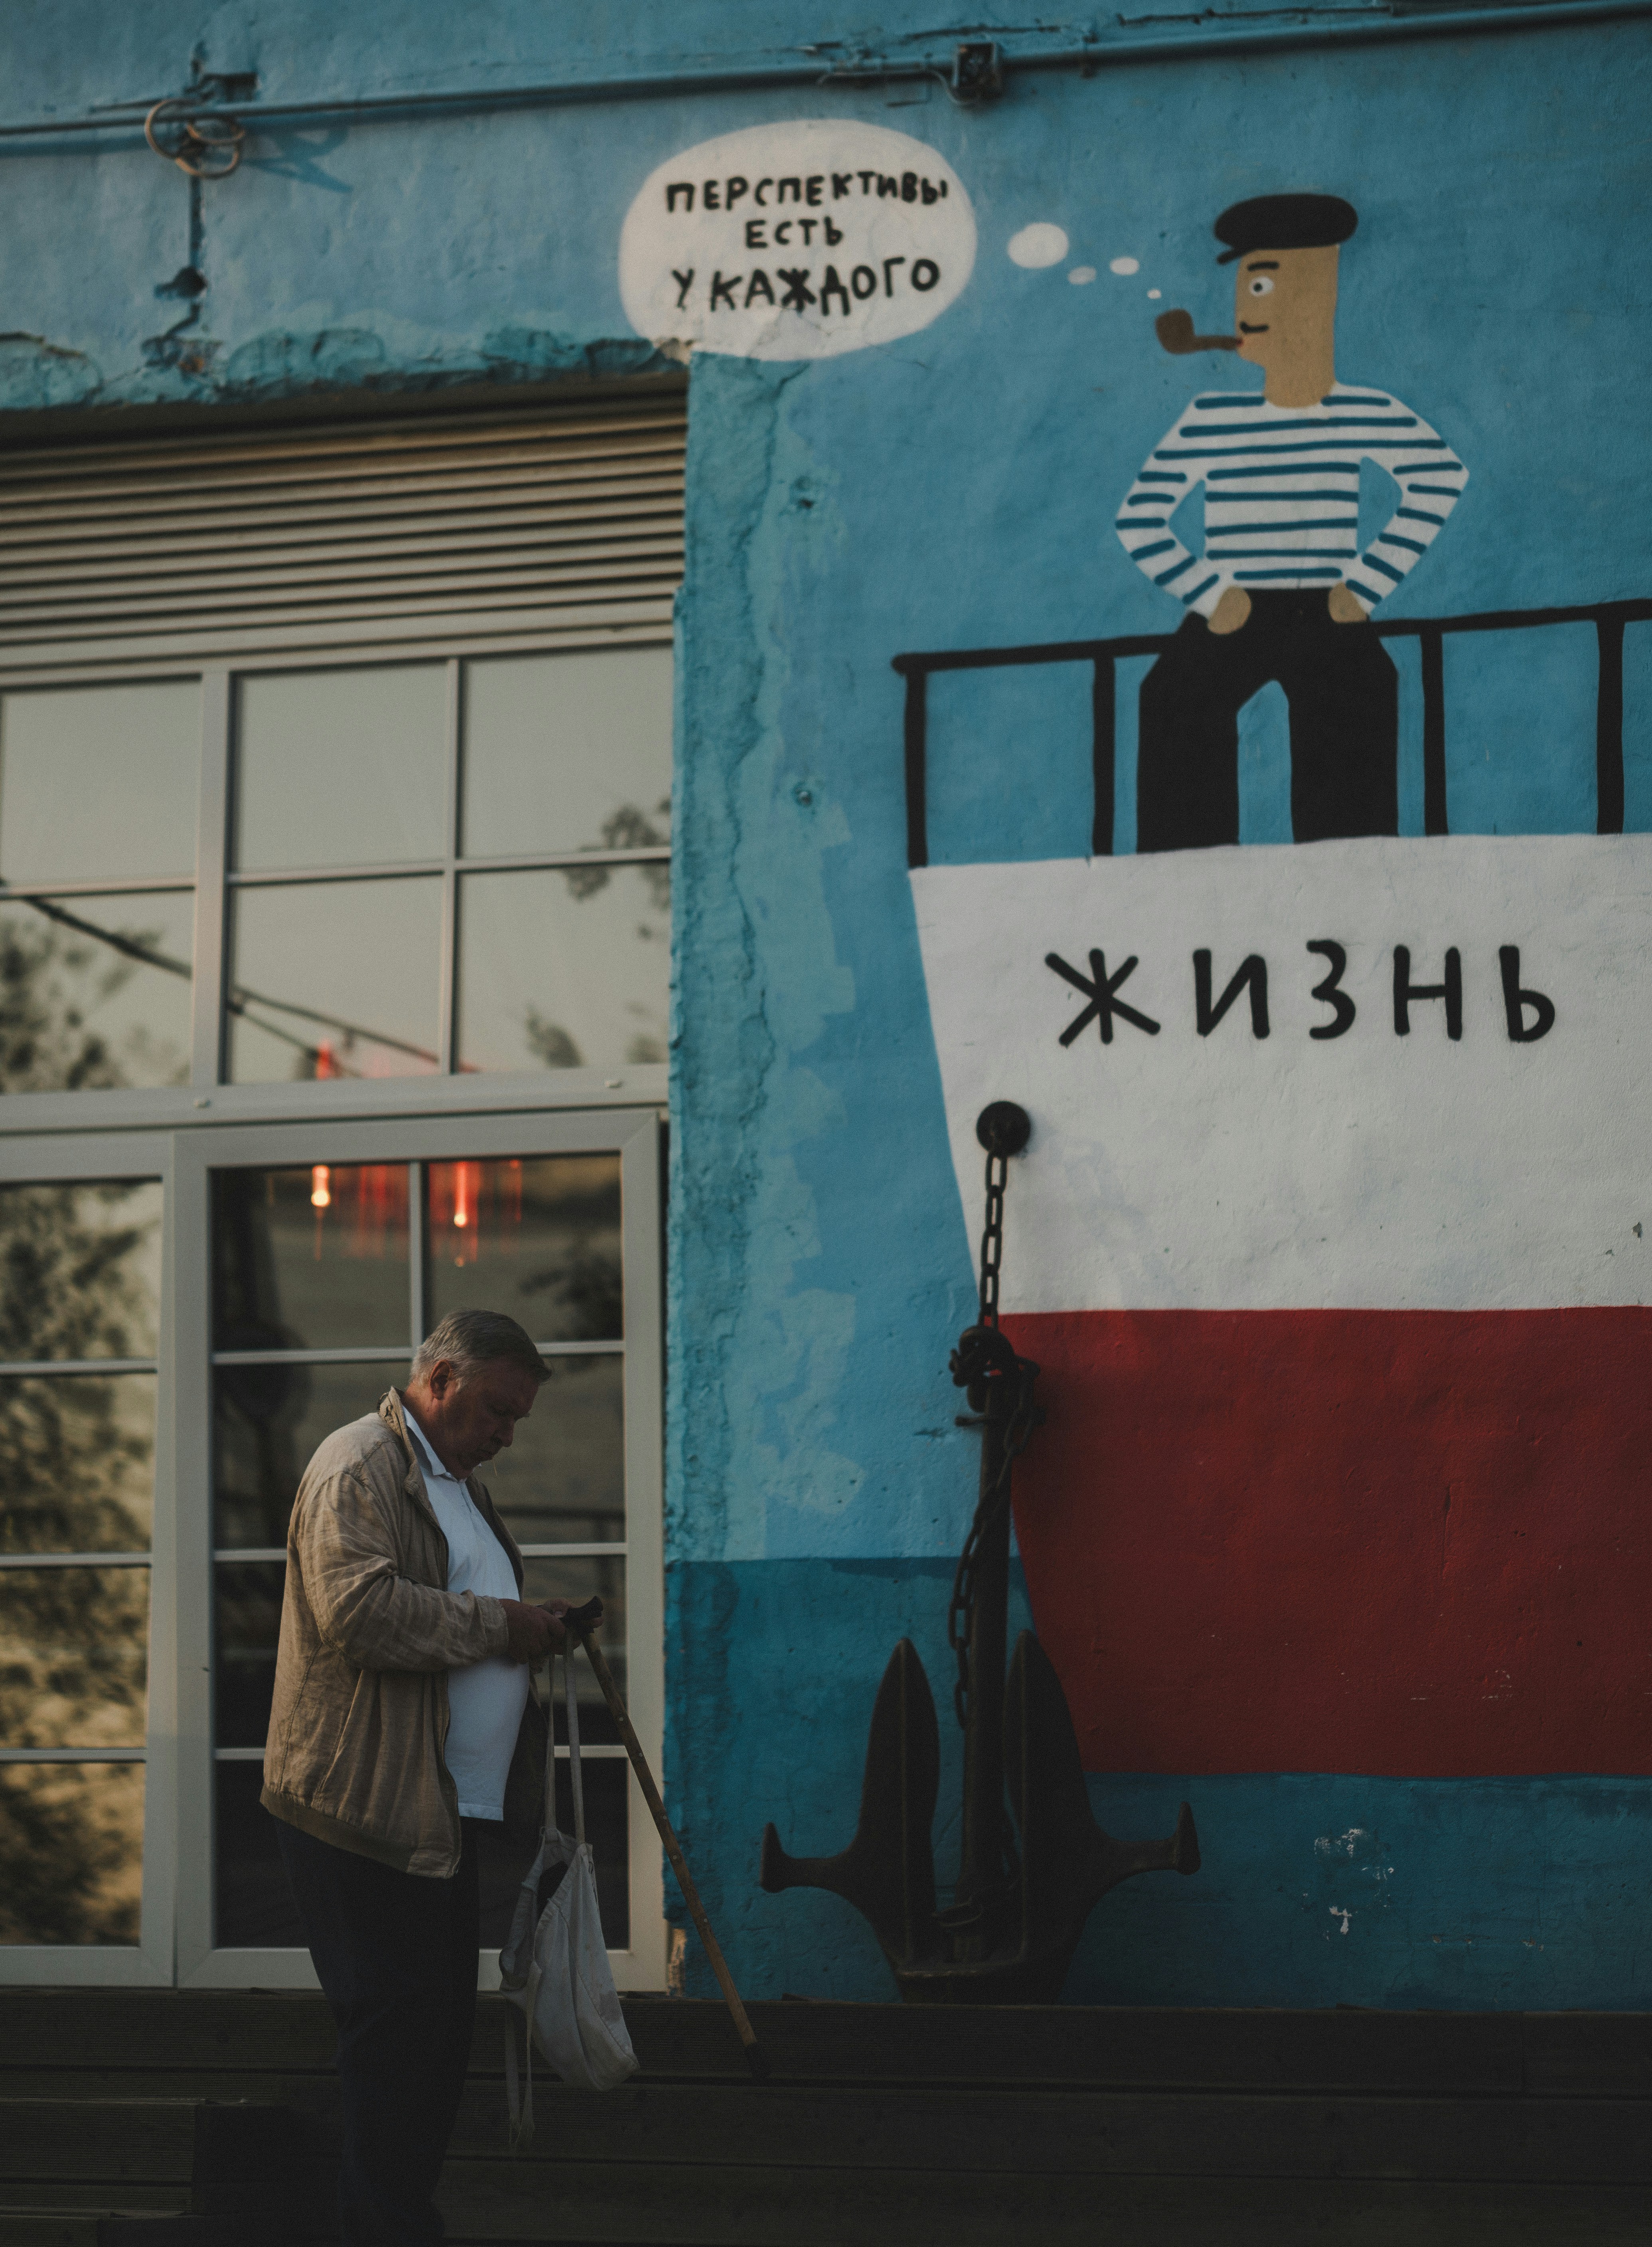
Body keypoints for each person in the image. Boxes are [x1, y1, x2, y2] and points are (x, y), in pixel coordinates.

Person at [262, 1308, 570, 2247]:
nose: (505, 1433)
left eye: (517, 1419)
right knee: (397, 2039)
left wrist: (538, 1625)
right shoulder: (358, 1463)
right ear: (436, 1380)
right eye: (493, 1409)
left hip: (441, 1814)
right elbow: (359, 1612)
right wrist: (503, 1626)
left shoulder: (455, 1483)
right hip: (362, 1809)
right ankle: (386, 2230)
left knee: (435, 2047)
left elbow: (459, 1604)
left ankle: (393, 2221)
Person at [1116, 192, 1468, 850]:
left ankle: (1353, 886)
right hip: (1235, 607)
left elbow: (1439, 477)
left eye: (1263, 283)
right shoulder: (1212, 420)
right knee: (1172, 701)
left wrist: (1363, 586)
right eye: (1245, 285)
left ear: (1318, 291)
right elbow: (1140, 518)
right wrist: (1209, 593)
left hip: (1328, 609)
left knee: (1357, 706)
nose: (1247, 308)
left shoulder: (1364, 411)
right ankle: (1182, 889)